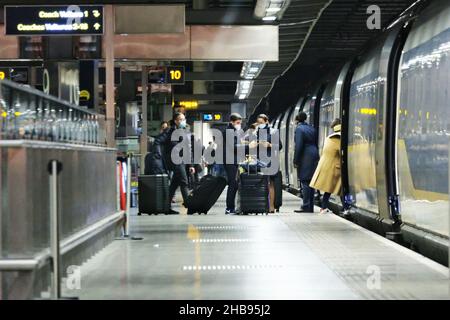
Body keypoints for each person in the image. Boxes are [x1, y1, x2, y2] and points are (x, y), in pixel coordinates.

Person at [153, 112, 195, 214]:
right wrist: (159, 154)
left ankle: (166, 208)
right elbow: (157, 141)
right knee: (184, 181)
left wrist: (191, 165)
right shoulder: (169, 131)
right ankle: (189, 207)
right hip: (174, 160)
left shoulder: (185, 132)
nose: (183, 121)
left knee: (174, 185)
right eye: (180, 119)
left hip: (182, 161)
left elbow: (188, 149)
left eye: (184, 119)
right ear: (175, 121)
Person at [310, 119, 347, 214]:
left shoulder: (329, 138)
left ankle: (324, 207)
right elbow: (342, 152)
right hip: (335, 168)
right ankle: (345, 208)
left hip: (328, 166)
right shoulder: (338, 138)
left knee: (329, 189)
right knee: (341, 188)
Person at [255, 114, 282, 213]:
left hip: (270, 160)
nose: (259, 125)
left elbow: (279, 146)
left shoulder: (273, 132)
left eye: (261, 123)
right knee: (261, 184)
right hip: (258, 160)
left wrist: (269, 144)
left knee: (270, 184)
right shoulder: (255, 133)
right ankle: (261, 205)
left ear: (266, 121)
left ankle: (271, 206)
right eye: (258, 123)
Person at [293, 111, 319, 213]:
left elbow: (299, 146)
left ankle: (306, 206)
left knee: (304, 181)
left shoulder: (299, 129)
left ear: (297, 120)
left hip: (305, 156)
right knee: (311, 182)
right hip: (314, 154)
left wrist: (296, 160)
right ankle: (310, 206)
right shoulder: (311, 128)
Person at [222, 113, 243, 215]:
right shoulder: (229, 131)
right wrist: (246, 147)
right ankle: (229, 208)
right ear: (232, 122)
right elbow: (233, 147)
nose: (239, 125)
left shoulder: (232, 131)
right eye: (238, 123)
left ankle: (231, 207)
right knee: (232, 184)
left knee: (234, 184)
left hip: (232, 160)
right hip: (230, 161)